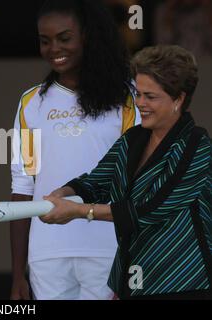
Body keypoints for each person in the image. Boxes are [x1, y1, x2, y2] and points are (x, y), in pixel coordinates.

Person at [41, 45, 211, 299]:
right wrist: (63, 192)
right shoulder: (133, 139)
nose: (140, 103)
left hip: (184, 284)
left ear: (179, 99)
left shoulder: (197, 147)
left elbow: (147, 210)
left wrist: (77, 211)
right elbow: (96, 182)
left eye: (150, 96)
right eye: (138, 93)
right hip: (132, 283)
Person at [10, 0, 140, 300]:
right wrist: (18, 272)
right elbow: (22, 184)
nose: (54, 48)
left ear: (88, 36)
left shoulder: (129, 96)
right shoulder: (31, 103)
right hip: (47, 255)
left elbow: (139, 181)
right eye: (45, 41)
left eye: (64, 38)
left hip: (109, 250)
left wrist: (134, 259)